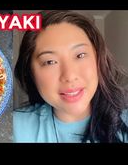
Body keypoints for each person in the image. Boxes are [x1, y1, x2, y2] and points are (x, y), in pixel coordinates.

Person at [13, 10, 128, 143]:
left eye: (80, 55)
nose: (69, 76)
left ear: (99, 59)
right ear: (30, 72)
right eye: (50, 62)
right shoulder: (16, 127)